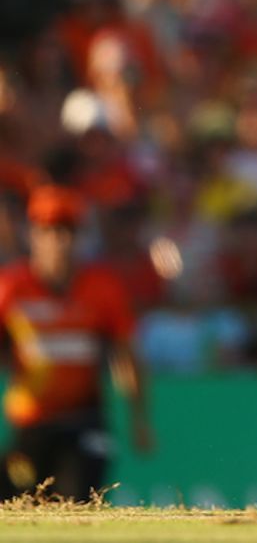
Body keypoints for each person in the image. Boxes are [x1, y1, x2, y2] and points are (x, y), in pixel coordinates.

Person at [0, 185, 152, 501]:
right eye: (51, 230)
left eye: (68, 230)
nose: (61, 241)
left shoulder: (102, 288)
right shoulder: (12, 288)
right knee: (16, 506)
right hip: (32, 423)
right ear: (33, 235)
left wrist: (139, 419)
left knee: (79, 501)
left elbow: (126, 356)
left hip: (84, 420)